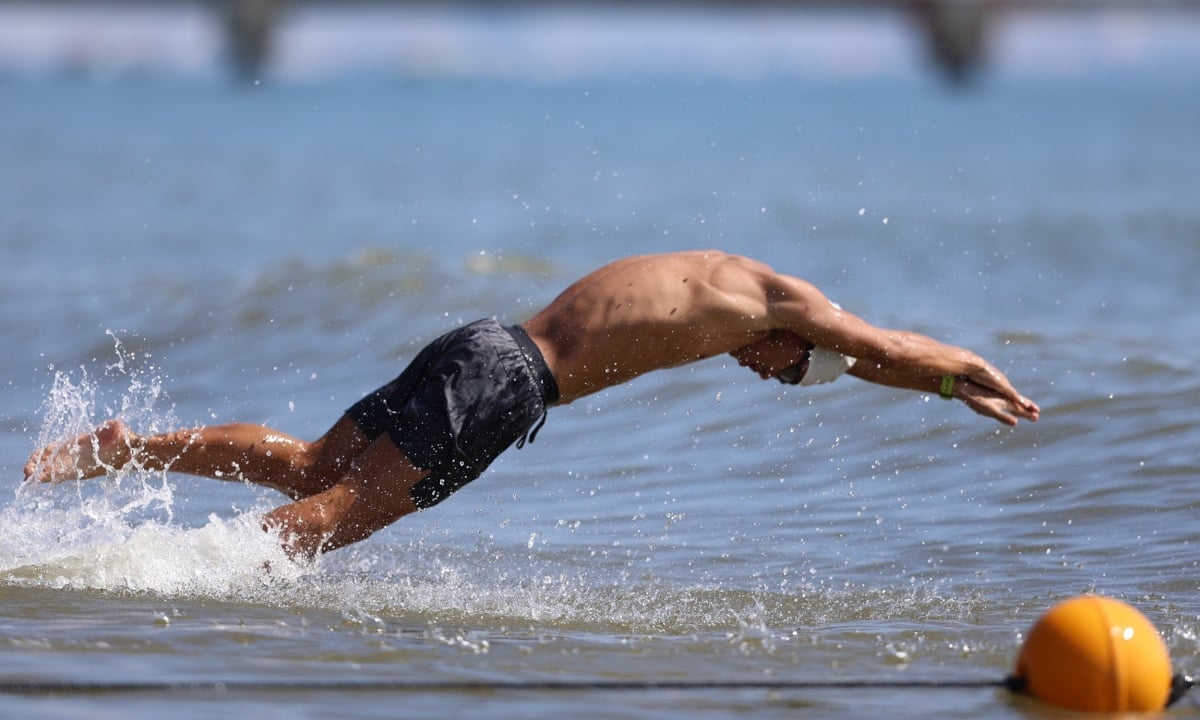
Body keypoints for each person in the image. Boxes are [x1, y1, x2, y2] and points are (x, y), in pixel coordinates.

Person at [24, 250, 1039, 558]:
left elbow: (860, 360)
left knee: (309, 467)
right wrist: (963, 378)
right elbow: (883, 352)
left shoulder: (713, 272)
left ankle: (131, 450)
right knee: (340, 519)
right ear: (795, 342)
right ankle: (191, 568)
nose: (758, 373)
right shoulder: (784, 308)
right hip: (511, 387)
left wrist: (938, 379)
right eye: (783, 370)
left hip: (480, 340)